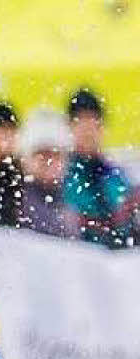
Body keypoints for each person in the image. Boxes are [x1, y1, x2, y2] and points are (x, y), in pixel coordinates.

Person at [63, 88, 136, 248]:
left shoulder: (117, 175)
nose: (87, 129)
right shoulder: (61, 174)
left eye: (92, 120)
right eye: (79, 121)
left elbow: (126, 217)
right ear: (69, 126)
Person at [18, 109, 76, 238]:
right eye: (42, 154)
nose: (49, 162)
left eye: (55, 155)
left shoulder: (73, 201)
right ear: (25, 159)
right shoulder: (14, 205)